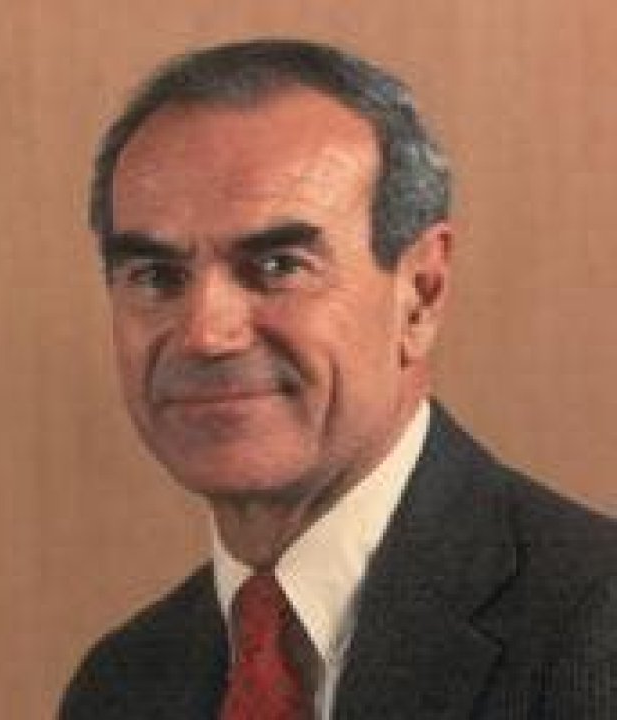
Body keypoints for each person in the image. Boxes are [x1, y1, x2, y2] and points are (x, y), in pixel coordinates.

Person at [59, 39, 617, 719]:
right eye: (156, 276)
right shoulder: (119, 687)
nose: (205, 332)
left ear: (421, 293)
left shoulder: (597, 631)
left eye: (278, 266)